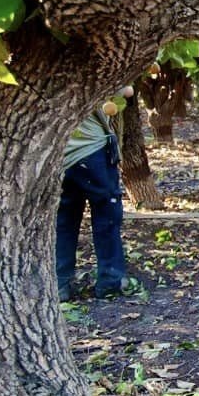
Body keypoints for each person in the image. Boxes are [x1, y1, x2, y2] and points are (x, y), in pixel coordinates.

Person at [56, 98, 136, 301]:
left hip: (59, 155)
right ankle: (111, 281)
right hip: (92, 151)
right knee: (107, 216)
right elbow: (125, 91)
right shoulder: (95, 70)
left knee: (64, 219)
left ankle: (60, 283)